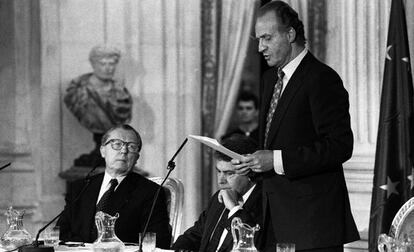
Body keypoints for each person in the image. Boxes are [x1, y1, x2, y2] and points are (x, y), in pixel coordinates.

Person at [232, 1, 360, 251]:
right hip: (272, 221)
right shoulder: (270, 79)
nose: (260, 47)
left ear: (290, 34)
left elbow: (340, 146)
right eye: (258, 39)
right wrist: (250, 161)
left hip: (312, 226)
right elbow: (273, 139)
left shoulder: (322, 78)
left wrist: (276, 160)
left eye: (267, 38)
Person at [58, 124, 172, 249]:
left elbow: (157, 242)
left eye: (132, 146)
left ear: (137, 158)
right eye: (117, 144)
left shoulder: (150, 192)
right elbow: (61, 232)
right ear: (103, 151)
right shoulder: (81, 187)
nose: (124, 151)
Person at [172, 134, 262, 252]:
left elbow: (250, 243)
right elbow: (194, 235)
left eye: (229, 173)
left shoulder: (263, 202)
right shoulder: (218, 198)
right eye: (219, 171)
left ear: (249, 173)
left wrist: (234, 208)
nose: (221, 180)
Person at [64, 45, 133, 167]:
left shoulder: (121, 92)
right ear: (94, 65)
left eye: (112, 64)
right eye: (103, 64)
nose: (108, 68)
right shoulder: (79, 92)